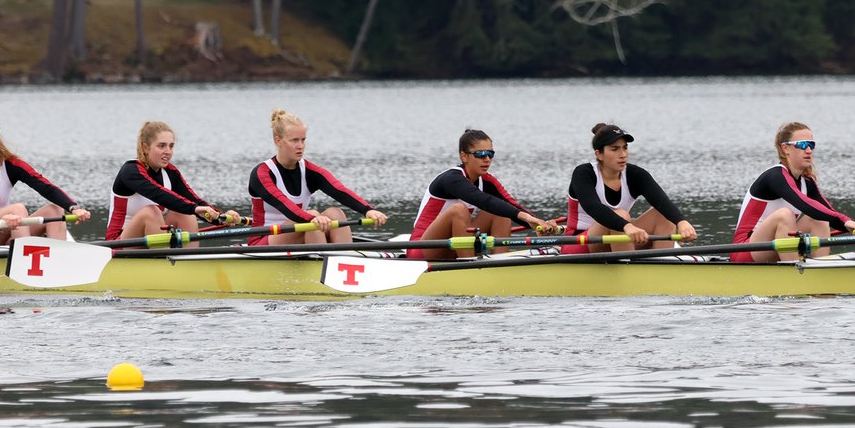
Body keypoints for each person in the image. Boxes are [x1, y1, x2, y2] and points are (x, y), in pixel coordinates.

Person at [732, 122, 855, 263]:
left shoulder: (806, 181)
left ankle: (819, 267)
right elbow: (805, 205)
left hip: (774, 245)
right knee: (785, 215)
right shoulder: (775, 176)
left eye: (811, 145)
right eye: (802, 145)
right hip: (746, 249)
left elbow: (827, 211)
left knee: (820, 218)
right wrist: (845, 221)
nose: (808, 150)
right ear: (785, 149)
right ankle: (796, 273)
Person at [408, 129, 559, 259]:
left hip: (454, 246)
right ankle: (469, 267)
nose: (487, 159)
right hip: (423, 248)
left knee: (501, 211)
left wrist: (540, 223)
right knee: (459, 210)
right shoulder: (451, 179)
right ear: (464, 156)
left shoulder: (486, 181)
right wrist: (527, 218)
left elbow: (511, 205)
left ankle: (500, 263)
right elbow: (482, 200)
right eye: (480, 154)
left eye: (490, 154)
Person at [0, 111, 90, 247]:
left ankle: (58, 260)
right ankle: (24, 258)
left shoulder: (11, 164)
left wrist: (74, 208)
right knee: (18, 209)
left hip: (6, 228)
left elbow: (46, 187)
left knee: (55, 210)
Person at [248, 109, 388, 246]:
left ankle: (344, 260)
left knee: (335, 213)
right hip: (264, 240)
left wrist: (368, 210)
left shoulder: (309, 171)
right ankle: (321, 261)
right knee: (313, 218)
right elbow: (285, 205)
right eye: (294, 140)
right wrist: (313, 218)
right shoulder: (262, 173)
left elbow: (339, 190)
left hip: (301, 231)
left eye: (303, 140)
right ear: (278, 140)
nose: (300, 146)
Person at [561, 123, 697, 254]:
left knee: (663, 214)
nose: (623, 154)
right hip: (580, 243)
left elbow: (661, 201)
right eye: (615, 149)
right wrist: (627, 226)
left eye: (625, 148)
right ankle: (626, 267)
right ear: (599, 154)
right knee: (620, 215)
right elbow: (593, 207)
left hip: (619, 236)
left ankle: (662, 263)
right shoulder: (584, 173)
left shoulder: (635, 174)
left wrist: (682, 222)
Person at [106, 120, 238, 245]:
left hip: (151, 239)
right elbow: (159, 194)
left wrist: (222, 218)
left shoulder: (170, 172)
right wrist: (194, 209)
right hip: (120, 242)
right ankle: (164, 261)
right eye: (161, 146)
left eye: (171, 146)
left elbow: (194, 201)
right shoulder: (130, 171)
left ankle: (187, 261)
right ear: (145, 147)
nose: (168, 151)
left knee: (186, 214)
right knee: (151, 212)